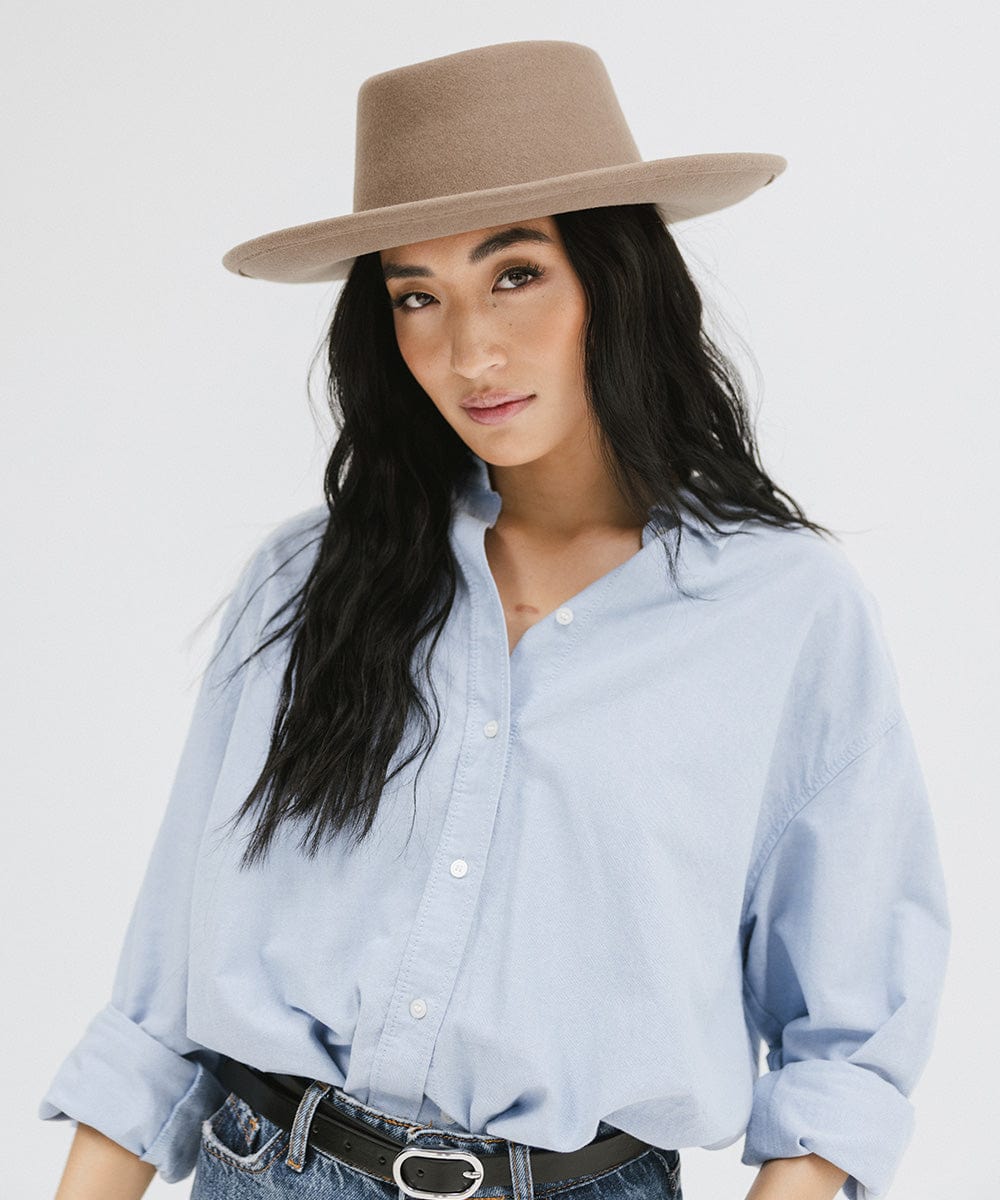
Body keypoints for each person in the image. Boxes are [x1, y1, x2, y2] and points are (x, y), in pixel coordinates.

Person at [40, 39, 949, 1200]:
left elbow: (847, 1038)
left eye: (514, 274)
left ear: (615, 281)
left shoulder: (782, 615)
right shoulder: (306, 585)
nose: (468, 351)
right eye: (417, 296)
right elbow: (161, 999)